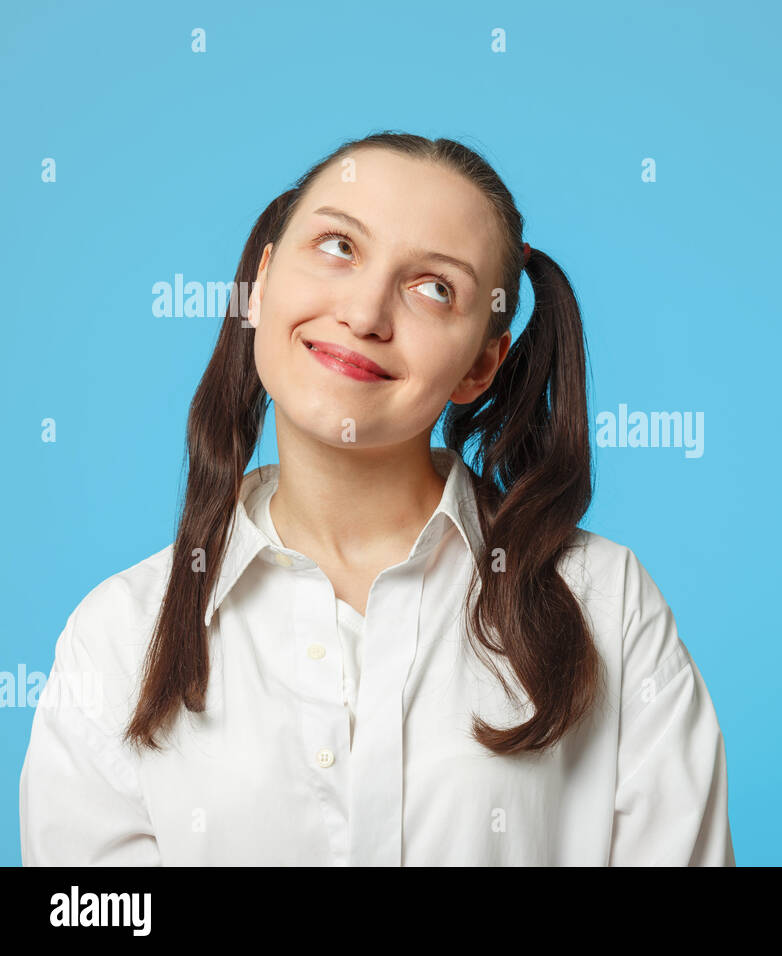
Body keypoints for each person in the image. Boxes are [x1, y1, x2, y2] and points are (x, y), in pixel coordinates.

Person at [18, 132, 735, 866]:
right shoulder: (117, 635)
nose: (365, 313)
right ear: (261, 283)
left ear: (483, 362)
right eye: (338, 245)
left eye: (434, 288)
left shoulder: (605, 602)